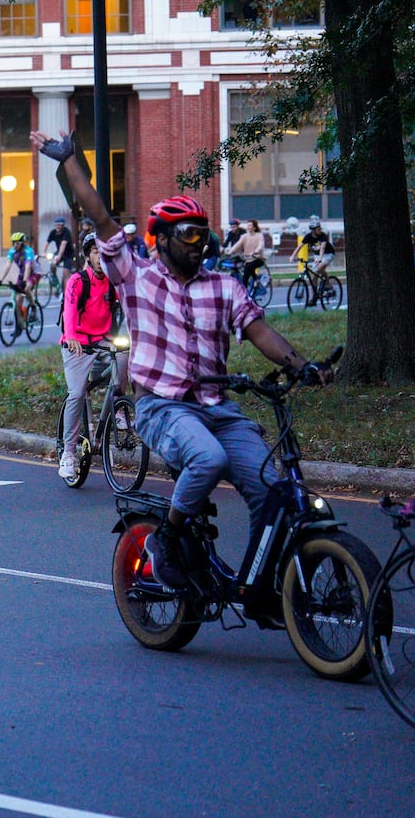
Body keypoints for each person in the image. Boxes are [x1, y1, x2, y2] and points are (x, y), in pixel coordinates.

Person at [33, 129, 330, 592]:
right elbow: (103, 221)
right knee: (207, 460)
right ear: (162, 239)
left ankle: (262, 585)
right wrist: (70, 161)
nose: (199, 243)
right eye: (188, 235)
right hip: (162, 407)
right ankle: (166, 540)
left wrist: (300, 364)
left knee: (273, 490)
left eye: (202, 235)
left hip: (220, 411)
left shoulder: (223, 287)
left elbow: (259, 330)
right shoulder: (137, 277)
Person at [57, 234, 119, 481]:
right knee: (77, 393)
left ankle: (118, 412)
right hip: (77, 343)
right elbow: (69, 310)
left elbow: (130, 305)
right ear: (87, 255)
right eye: (95, 251)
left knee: (126, 358)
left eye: (104, 252)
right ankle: (68, 454)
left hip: (103, 339)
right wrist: (71, 335)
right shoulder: (77, 280)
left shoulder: (113, 282)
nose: (100, 257)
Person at [223, 218, 267, 287]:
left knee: (249, 266)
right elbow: (238, 244)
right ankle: (245, 294)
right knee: (245, 277)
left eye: (250, 226)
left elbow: (260, 245)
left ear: (254, 227)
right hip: (248, 259)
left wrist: (256, 251)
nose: (248, 227)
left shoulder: (259, 235)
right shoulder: (244, 236)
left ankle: (256, 280)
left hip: (258, 258)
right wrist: (230, 251)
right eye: (248, 225)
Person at [45, 217, 76, 291]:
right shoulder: (53, 232)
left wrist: (59, 256)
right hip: (59, 252)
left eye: (59, 225)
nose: (57, 227)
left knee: (65, 275)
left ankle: (66, 295)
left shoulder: (66, 232)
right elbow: (47, 242)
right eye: (56, 225)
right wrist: (43, 252)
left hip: (69, 254)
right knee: (52, 264)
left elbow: (63, 244)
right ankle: (55, 281)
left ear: (63, 225)